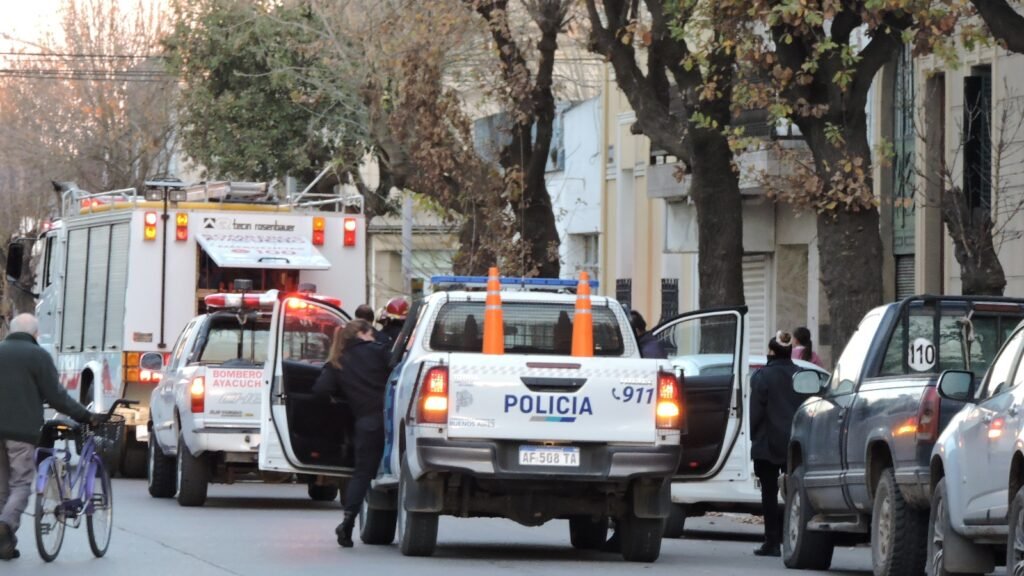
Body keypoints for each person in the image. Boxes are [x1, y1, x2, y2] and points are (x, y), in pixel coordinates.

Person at [0, 313, 101, 560]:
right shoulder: (38, 356)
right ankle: (5, 524)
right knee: (21, 483)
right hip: (21, 433)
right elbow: (56, 397)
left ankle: (5, 546)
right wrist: (84, 416)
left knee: (2, 487)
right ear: (35, 335)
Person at [313, 319, 390, 548]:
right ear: (363, 333)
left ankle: (348, 520)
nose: (375, 337)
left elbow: (320, 391)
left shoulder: (338, 361)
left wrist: (344, 403)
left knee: (362, 474)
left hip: (366, 424)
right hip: (391, 420)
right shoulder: (378, 351)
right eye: (372, 333)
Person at [604, 309, 670, 552]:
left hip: (639, 427)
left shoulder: (649, 353)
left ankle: (621, 538)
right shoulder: (649, 347)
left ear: (636, 332)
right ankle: (620, 538)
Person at [749, 331, 808, 557]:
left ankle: (771, 541)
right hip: (794, 443)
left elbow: (756, 412)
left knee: (769, 494)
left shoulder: (762, 376)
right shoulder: (800, 375)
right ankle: (793, 539)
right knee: (795, 492)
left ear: (771, 352)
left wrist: (754, 437)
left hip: (767, 443)